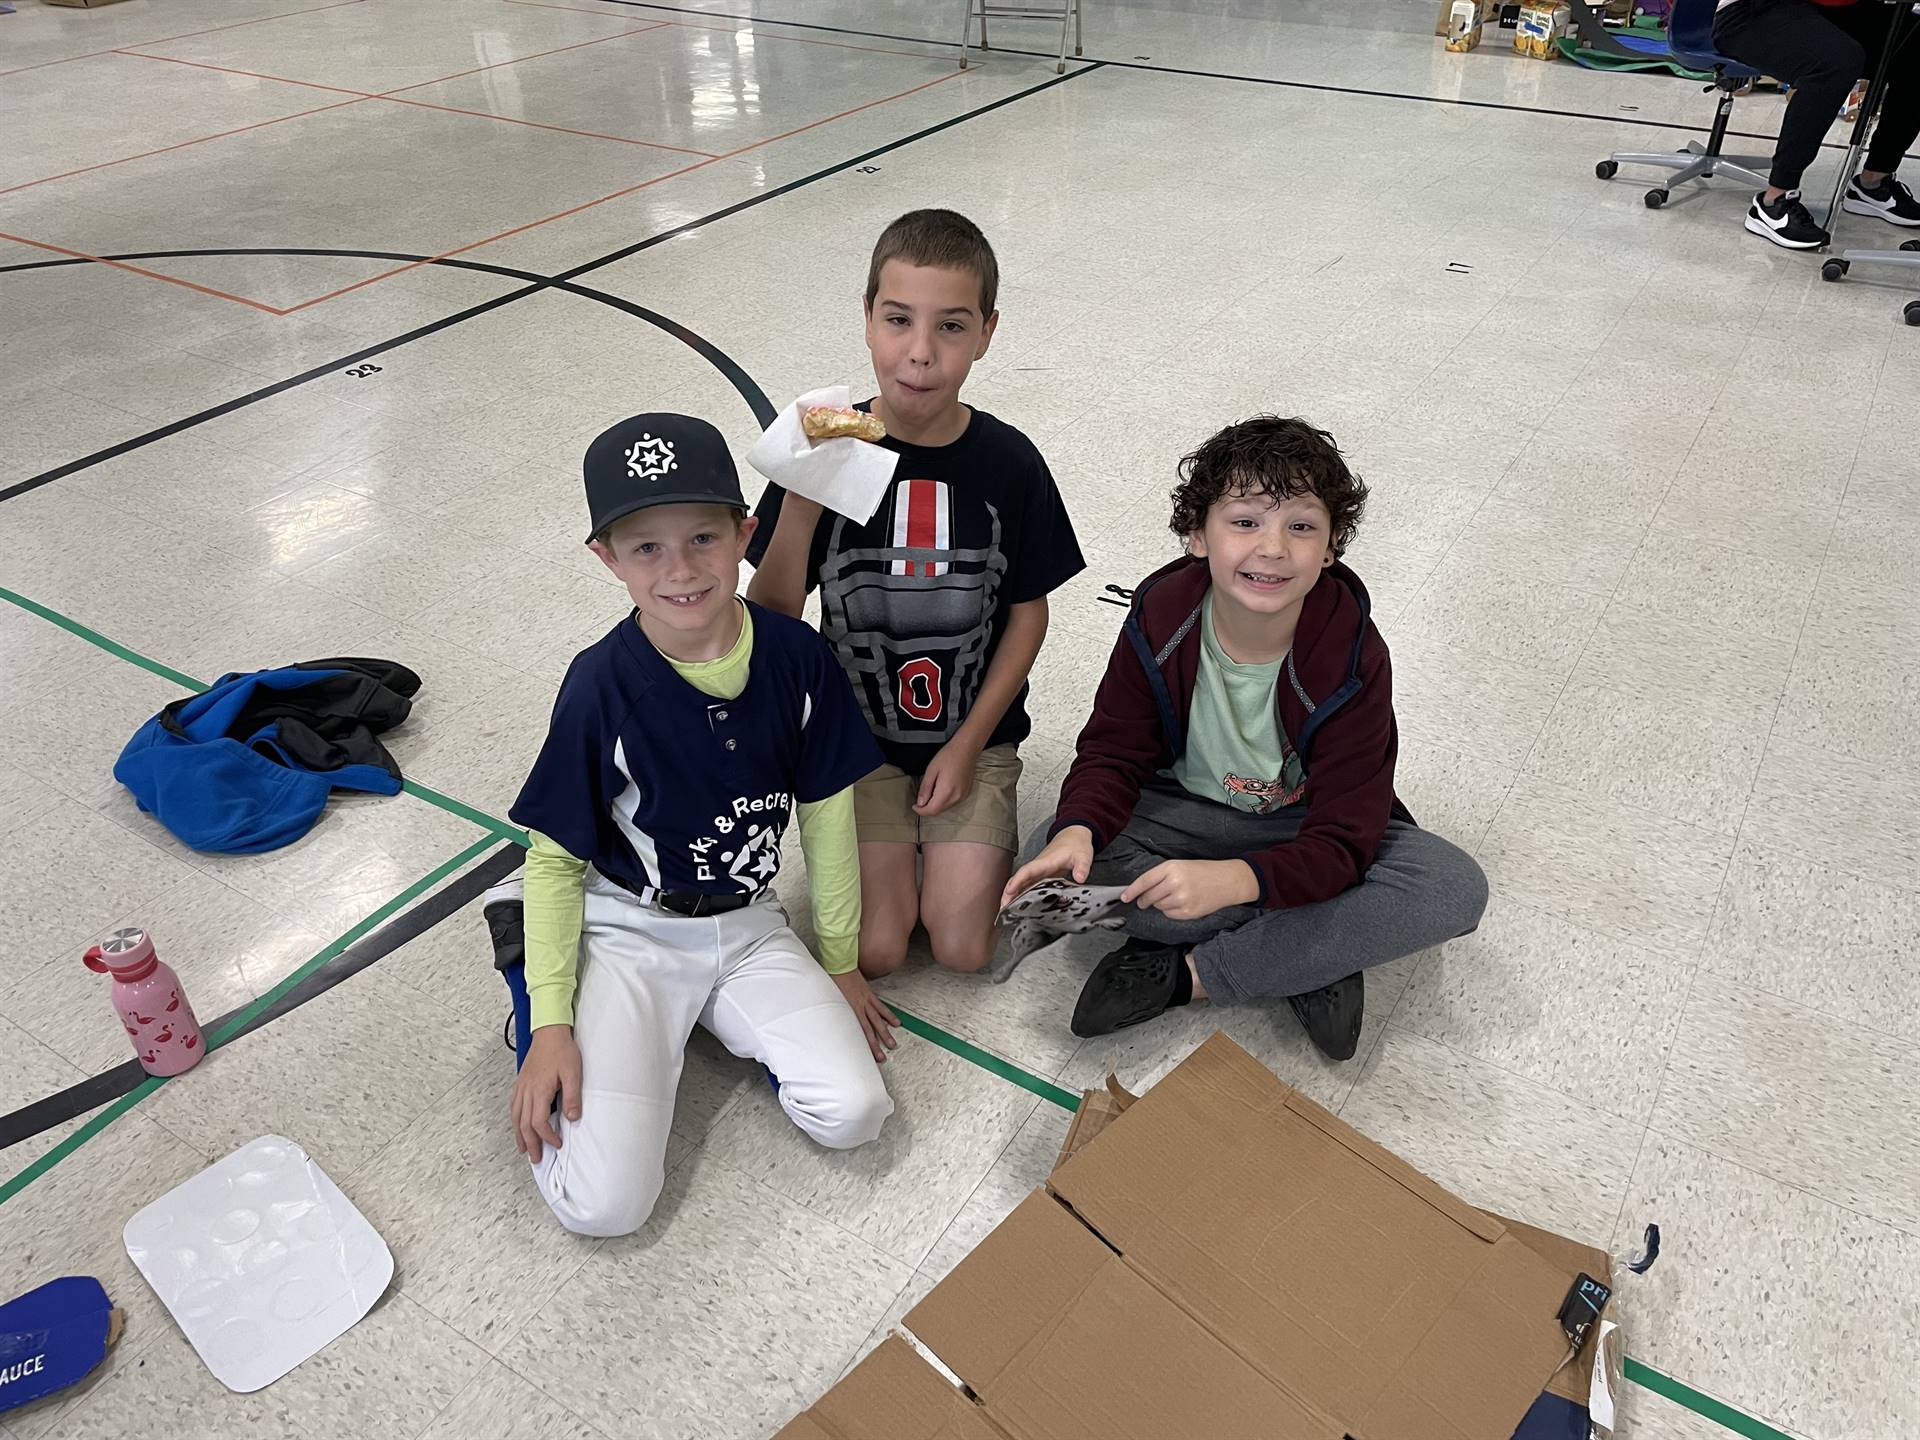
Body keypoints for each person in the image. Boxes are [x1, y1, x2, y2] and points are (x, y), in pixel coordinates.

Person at [484, 413, 896, 1238]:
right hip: (631, 927)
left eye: (704, 537)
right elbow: (559, 860)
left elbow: (825, 818)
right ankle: (530, 961)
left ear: (745, 534)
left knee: (856, 1113)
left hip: (748, 925)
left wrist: (841, 965)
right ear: (606, 558)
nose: (680, 569)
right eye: (646, 548)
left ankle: (701, 1017)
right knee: (606, 1208)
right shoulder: (600, 685)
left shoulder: (797, 660)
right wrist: (554, 1026)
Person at [1002, 417, 1489, 1061]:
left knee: (1453, 887)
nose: (1273, 548)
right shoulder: (1160, 617)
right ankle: (1314, 949)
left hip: (1294, 826)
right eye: (1245, 522)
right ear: (1197, 535)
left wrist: (1238, 880)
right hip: (1177, 813)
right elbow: (1113, 751)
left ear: (1332, 548)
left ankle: (1193, 973)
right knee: (1048, 853)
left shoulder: (1354, 657)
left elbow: (1344, 837)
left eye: (1301, 526)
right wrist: (1081, 828)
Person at [746, 209, 1084, 980]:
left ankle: (974, 848)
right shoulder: (828, 444)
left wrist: (969, 747)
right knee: (877, 951)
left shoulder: (1008, 463)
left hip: (973, 736)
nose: (921, 353)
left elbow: (1029, 612)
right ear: (867, 317)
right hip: (857, 744)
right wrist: (803, 488)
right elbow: (770, 619)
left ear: (988, 332)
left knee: (965, 948)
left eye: (952, 327)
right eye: (898, 320)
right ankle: (912, 852)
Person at [1713, 0, 1920, 248]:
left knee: (1915, 40)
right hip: (1748, 12)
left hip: (1827, 9)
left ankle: (1874, 182)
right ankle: (1775, 200)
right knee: (1835, 61)